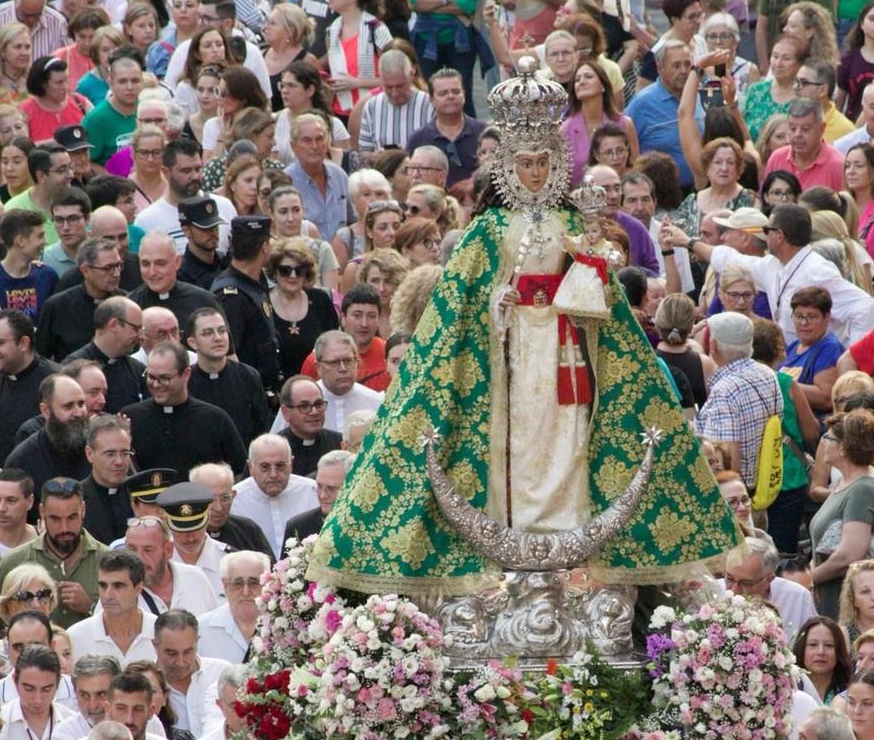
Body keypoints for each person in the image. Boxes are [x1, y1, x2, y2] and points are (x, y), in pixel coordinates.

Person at [305, 59, 739, 595]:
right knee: (515, 439)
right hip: (506, 354)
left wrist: (589, 267)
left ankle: (565, 532)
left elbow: (601, 297)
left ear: (555, 163)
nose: (535, 173)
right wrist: (497, 304)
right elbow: (456, 311)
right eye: (524, 163)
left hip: (566, 351)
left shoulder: (572, 224)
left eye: (542, 162)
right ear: (509, 165)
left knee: (569, 438)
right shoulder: (486, 232)